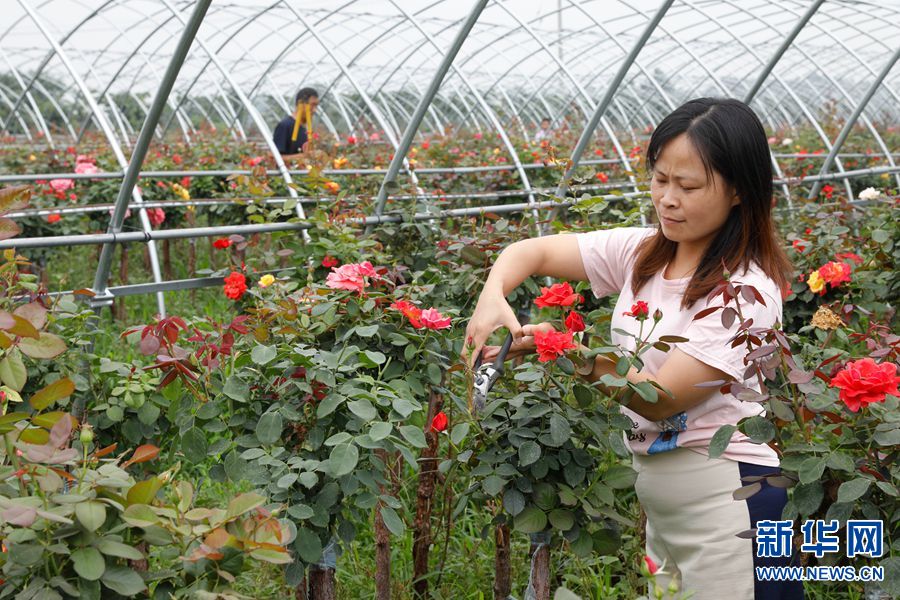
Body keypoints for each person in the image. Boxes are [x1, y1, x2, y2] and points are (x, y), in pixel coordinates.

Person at [463, 98, 803, 600]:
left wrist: (565, 351)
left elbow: (662, 398)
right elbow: (530, 252)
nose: (667, 199)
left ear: (738, 191)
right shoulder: (644, 253)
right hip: (665, 508)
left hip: (734, 503)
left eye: (687, 186)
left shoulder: (745, 291)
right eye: (660, 179)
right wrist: (493, 294)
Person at [273, 87, 319, 159]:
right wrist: (303, 157)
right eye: (312, 105)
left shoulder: (305, 128)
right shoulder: (285, 126)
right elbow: (274, 158)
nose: (315, 110)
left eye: (316, 105)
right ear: (300, 103)